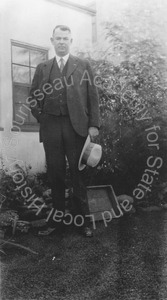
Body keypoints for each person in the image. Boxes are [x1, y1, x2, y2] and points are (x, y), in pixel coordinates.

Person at [29, 25, 100, 237]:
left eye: (65, 38)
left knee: (78, 175)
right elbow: (33, 97)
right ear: (52, 41)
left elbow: (93, 96)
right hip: (51, 128)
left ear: (71, 41)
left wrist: (93, 124)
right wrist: (42, 118)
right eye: (58, 38)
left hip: (75, 127)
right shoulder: (43, 67)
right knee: (56, 175)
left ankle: (83, 222)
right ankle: (57, 224)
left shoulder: (83, 65)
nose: (61, 42)